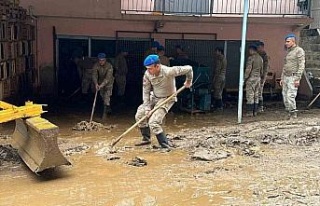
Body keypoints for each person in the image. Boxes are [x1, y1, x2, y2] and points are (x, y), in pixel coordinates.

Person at [135, 54, 193, 148]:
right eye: (147, 68)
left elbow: (189, 68)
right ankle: (146, 139)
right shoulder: (147, 74)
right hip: (154, 97)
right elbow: (145, 91)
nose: (148, 71)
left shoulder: (169, 71)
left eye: (150, 68)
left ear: (157, 66)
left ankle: (165, 145)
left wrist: (189, 80)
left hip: (167, 98)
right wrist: (147, 108)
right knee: (139, 115)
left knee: (154, 122)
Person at [280, 34, 305, 119]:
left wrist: (297, 78)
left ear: (293, 41)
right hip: (286, 76)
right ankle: (288, 112)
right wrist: (282, 78)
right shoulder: (289, 52)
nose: (286, 43)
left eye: (288, 41)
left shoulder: (299, 51)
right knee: (285, 95)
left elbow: (301, 65)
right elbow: (285, 66)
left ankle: (293, 114)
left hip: (293, 77)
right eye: (286, 41)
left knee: (290, 96)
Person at [92, 53, 114, 120]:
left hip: (109, 83)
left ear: (105, 60)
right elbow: (94, 75)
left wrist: (101, 85)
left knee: (106, 97)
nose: (101, 62)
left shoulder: (109, 66)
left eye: (103, 60)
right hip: (100, 82)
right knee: (102, 95)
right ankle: (108, 107)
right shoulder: (96, 65)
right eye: (100, 60)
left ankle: (104, 115)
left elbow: (108, 78)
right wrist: (96, 83)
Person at [244, 45, 263, 117]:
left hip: (251, 79)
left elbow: (248, 69)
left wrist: (244, 78)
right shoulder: (260, 58)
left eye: (249, 50)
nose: (249, 52)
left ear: (252, 50)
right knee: (256, 95)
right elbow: (262, 70)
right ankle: (255, 111)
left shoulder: (251, 58)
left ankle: (249, 112)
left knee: (250, 95)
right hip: (258, 78)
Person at [256, 41, 269, 112]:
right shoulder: (258, 55)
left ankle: (260, 107)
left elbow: (265, 68)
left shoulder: (264, 56)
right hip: (258, 75)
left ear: (262, 47)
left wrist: (263, 77)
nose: (258, 49)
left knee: (259, 92)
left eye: (259, 47)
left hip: (261, 76)